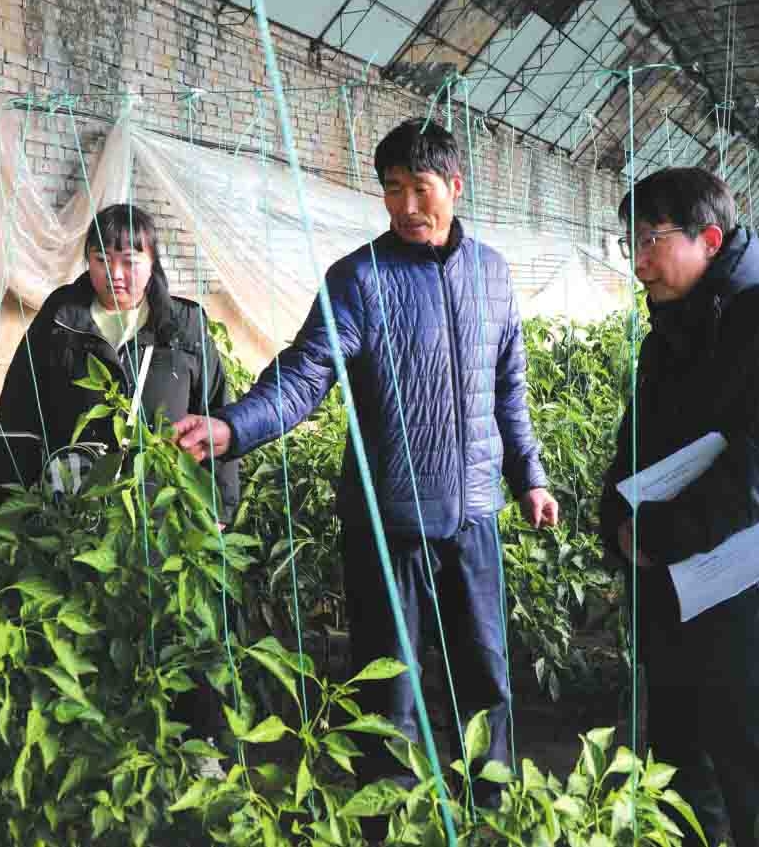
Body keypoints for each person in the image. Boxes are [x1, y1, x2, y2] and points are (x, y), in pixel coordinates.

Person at [173, 118, 559, 806]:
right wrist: (234, 426)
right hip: (387, 524)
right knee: (388, 696)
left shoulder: (492, 274)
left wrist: (528, 477)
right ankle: (388, 820)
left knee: (486, 682)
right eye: (391, 189)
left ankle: (491, 813)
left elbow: (508, 389)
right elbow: (304, 375)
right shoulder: (358, 279)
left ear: (455, 186)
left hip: (474, 518)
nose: (406, 206)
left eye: (420, 188)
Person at [597, 168, 759, 847]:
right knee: (678, 799)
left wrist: (660, 534)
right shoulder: (666, 334)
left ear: (710, 239)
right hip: (674, 609)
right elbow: (636, 446)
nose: (638, 263)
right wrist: (615, 517)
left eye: (650, 241)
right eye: (630, 243)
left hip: (750, 618)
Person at [0, 204, 239, 524]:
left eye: (129, 262)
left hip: (159, 510)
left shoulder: (183, 324)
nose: (114, 274)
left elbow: (215, 412)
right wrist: (14, 507)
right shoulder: (61, 317)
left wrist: (219, 508)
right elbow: (19, 411)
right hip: (69, 508)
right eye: (101, 260)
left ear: (152, 262)